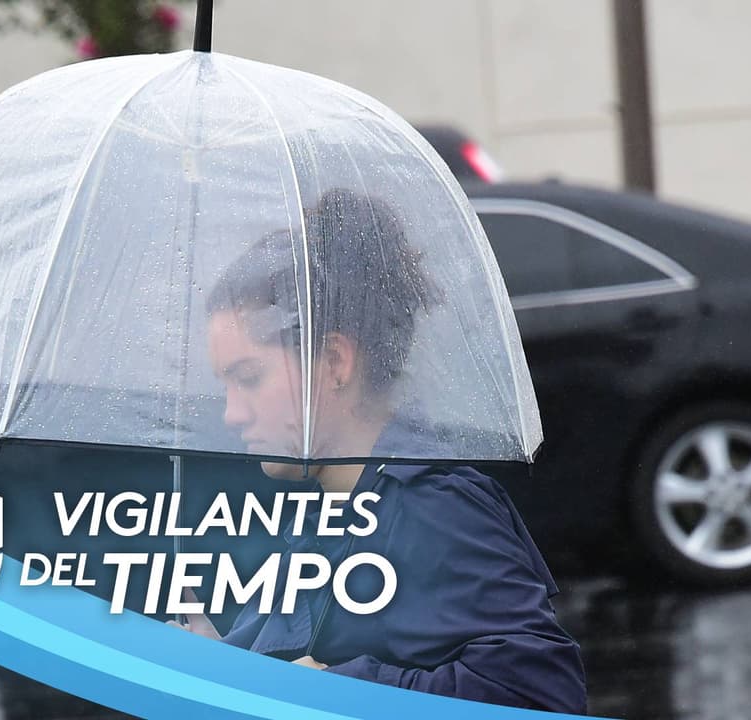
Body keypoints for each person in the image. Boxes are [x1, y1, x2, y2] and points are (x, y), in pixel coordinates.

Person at [178, 188, 588, 714]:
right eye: (225, 385)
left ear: (334, 362)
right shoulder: (326, 514)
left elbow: (541, 697)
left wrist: (338, 691)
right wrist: (221, 663)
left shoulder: (431, 508)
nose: (232, 414)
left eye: (249, 378)